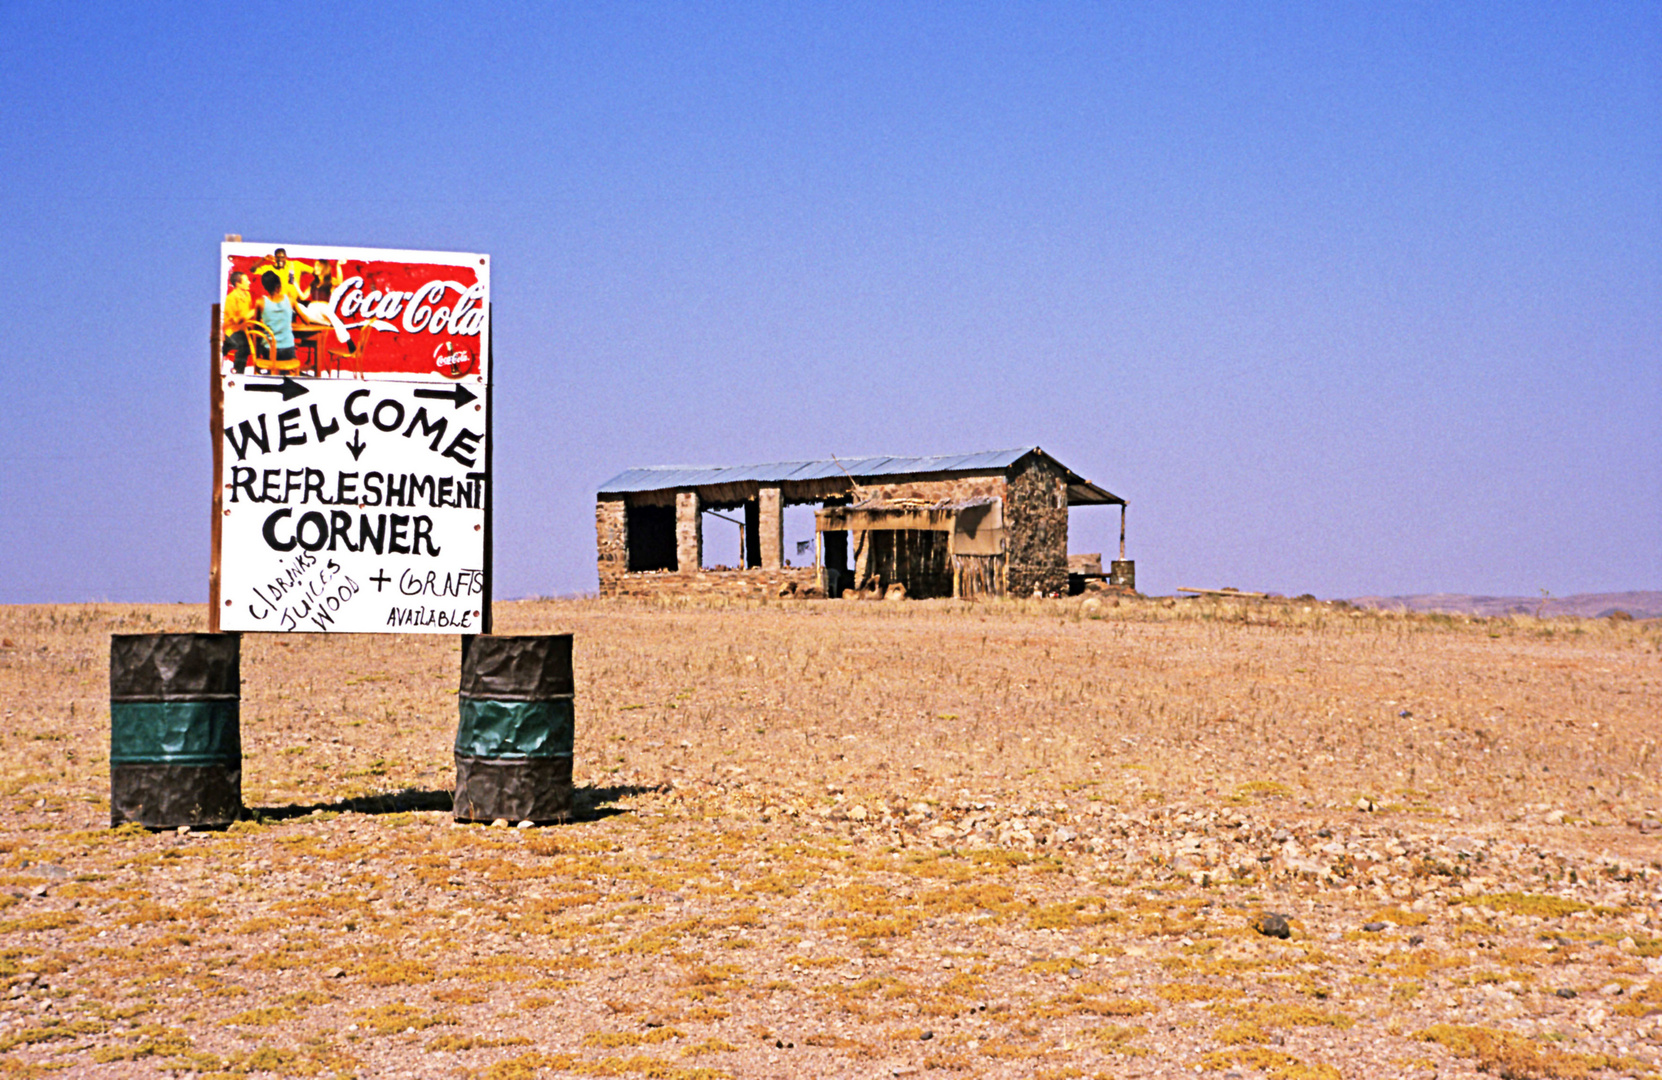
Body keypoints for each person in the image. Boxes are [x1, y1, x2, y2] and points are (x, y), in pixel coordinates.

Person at [257, 270, 297, 372]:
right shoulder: (290, 299)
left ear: (265, 287)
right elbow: (306, 320)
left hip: (269, 349)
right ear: (278, 286)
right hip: (288, 349)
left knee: (263, 346)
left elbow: (256, 324)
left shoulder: (260, 302)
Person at [221, 271, 255, 373]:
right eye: (246, 281)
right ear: (238, 284)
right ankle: (238, 372)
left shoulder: (247, 295)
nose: (249, 282)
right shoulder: (231, 298)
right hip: (232, 331)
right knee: (244, 346)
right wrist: (252, 312)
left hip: (244, 329)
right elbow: (235, 321)